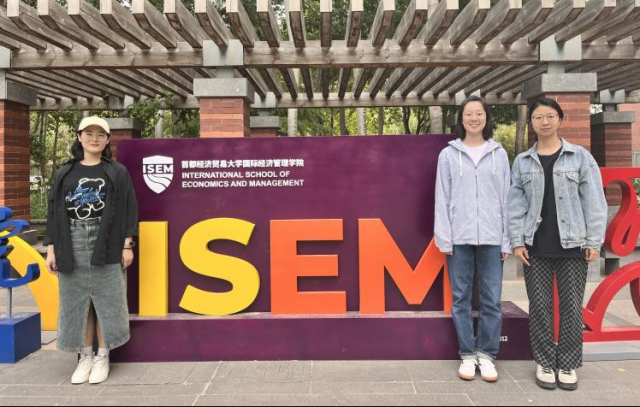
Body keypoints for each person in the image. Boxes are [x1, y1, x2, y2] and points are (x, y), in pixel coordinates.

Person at [509, 98, 607, 391]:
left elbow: (594, 201)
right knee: (539, 307)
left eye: (550, 116)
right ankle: (544, 362)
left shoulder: (580, 157)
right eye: (538, 117)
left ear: (560, 120)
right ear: (532, 122)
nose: (545, 122)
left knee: (571, 308)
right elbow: (515, 205)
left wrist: (594, 241)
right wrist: (517, 240)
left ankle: (567, 363)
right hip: (535, 247)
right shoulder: (523, 161)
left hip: (573, 246)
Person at [45, 116, 139, 385]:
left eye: (100, 134)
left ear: (107, 140)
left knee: (107, 300)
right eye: (89, 133)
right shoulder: (64, 172)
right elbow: (53, 212)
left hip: (106, 238)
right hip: (70, 238)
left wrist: (127, 244)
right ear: (79, 137)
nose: (94, 139)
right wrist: (51, 249)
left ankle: (102, 357)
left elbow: (129, 208)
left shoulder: (117, 171)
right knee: (77, 302)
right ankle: (85, 356)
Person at [435, 96, 512, 382]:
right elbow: (442, 198)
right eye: (469, 114)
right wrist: (445, 238)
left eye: (479, 113)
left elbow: (507, 198)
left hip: (492, 237)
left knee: (491, 300)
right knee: (461, 299)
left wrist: (507, 239)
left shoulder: (499, 154)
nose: (474, 118)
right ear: (461, 119)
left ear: (486, 118)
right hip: (459, 238)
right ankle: (467, 354)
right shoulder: (448, 155)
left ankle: (487, 355)